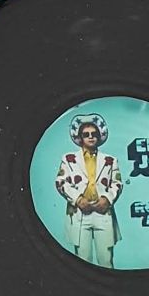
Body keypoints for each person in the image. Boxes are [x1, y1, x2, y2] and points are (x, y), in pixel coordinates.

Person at [54, 114, 123, 268]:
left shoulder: (110, 160)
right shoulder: (69, 158)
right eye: (86, 134)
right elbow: (61, 182)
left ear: (99, 136)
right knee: (82, 260)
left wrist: (107, 199)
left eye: (94, 134)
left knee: (106, 260)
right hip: (80, 213)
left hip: (103, 212)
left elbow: (117, 183)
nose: (91, 137)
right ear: (80, 138)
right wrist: (78, 199)